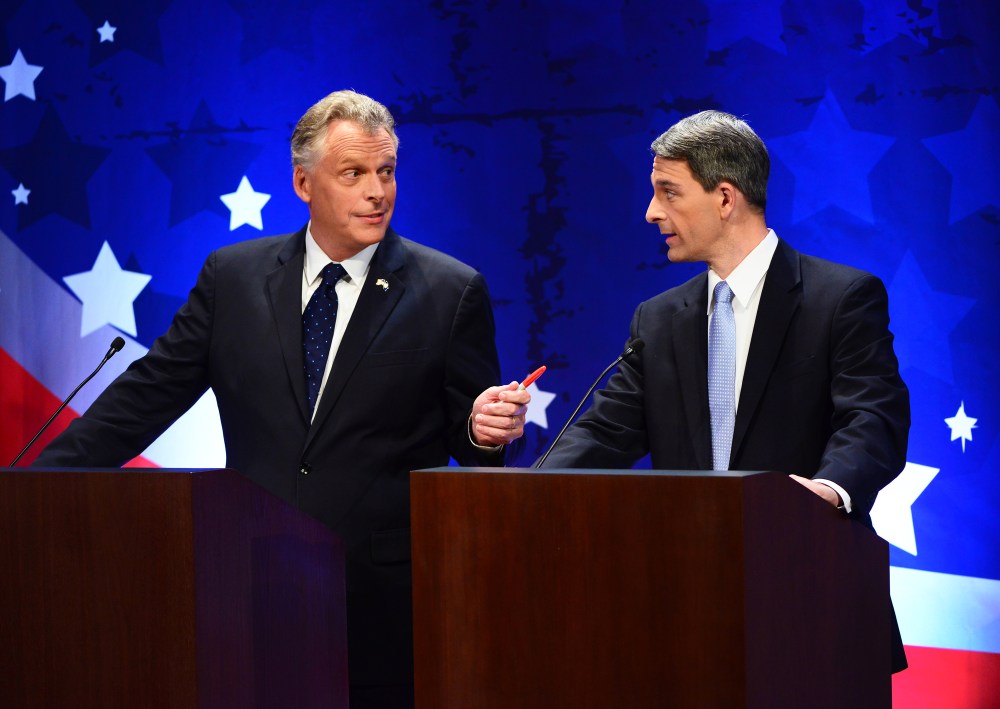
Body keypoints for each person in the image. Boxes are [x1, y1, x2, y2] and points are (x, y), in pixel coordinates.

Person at [35, 90, 530, 706]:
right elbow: (146, 397)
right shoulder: (232, 277)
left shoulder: (450, 290)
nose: (378, 191)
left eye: (387, 171)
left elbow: (470, 438)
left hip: (377, 602)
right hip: (244, 590)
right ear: (303, 183)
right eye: (354, 174)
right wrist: (35, 489)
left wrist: (486, 431)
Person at [540, 110, 909, 672]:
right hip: (685, 609)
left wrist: (828, 492)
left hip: (813, 592)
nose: (651, 212)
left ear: (725, 198)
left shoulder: (841, 299)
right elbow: (604, 431)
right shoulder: (658, 320)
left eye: (668, 192)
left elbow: (872, 419)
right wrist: (523, 492)